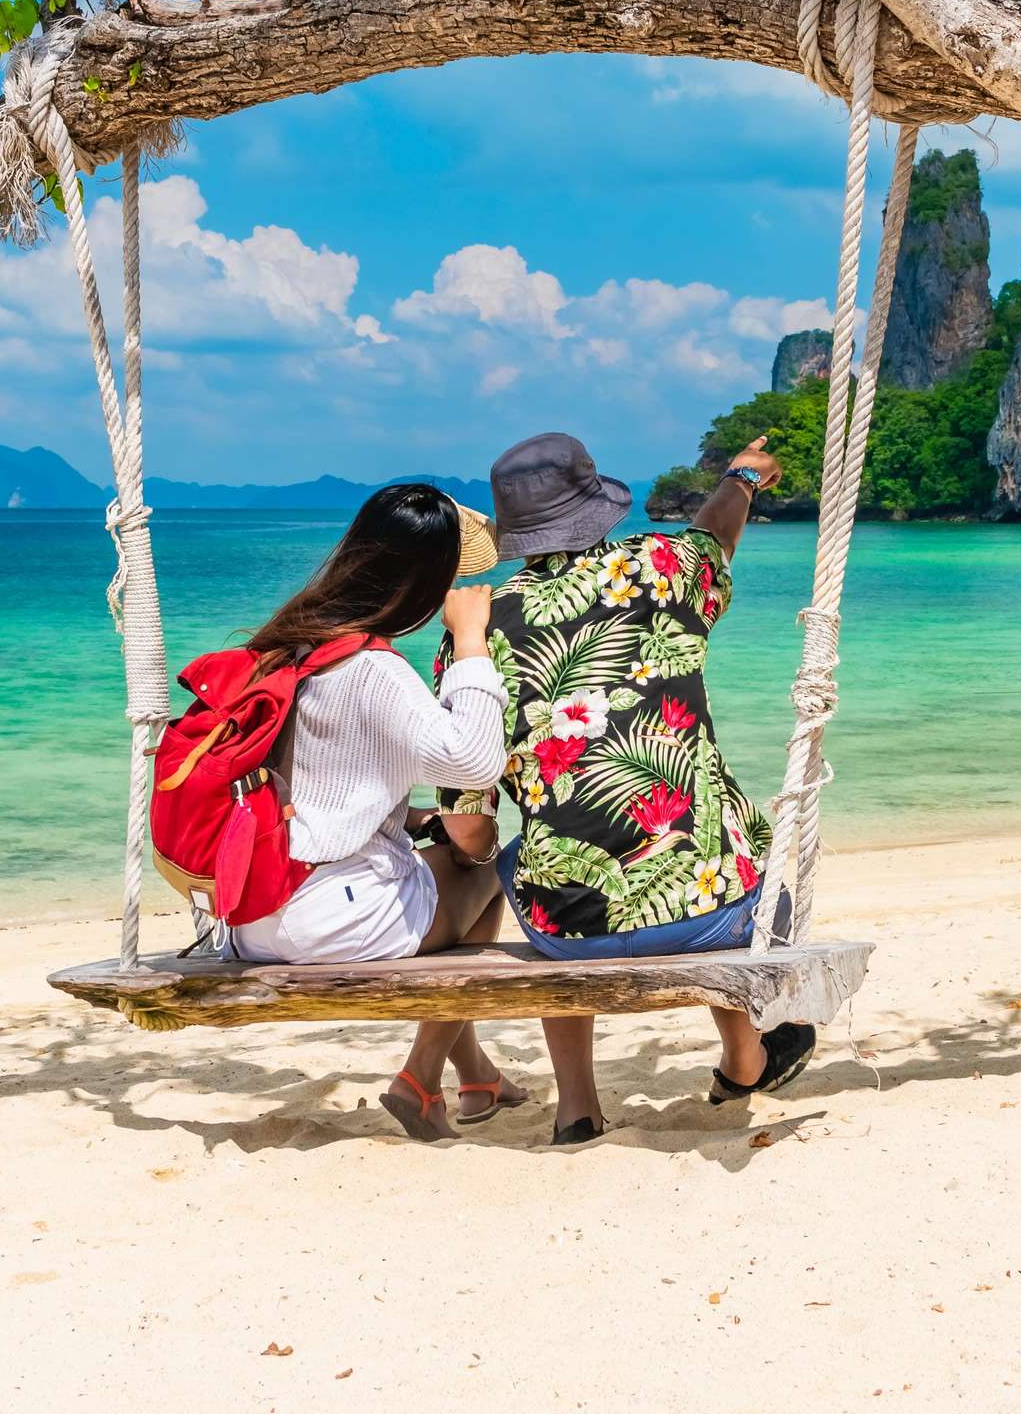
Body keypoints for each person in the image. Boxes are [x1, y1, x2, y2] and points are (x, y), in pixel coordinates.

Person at [473, 428, 817, 1145]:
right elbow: (714, 537)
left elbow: (467, 795)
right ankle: (745, 1058)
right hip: (707, 912)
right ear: (596, 505)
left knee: (540, 849)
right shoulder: (659, 567)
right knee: (724, 838)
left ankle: (576, 1109)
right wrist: (743, 477)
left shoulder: (479, 625)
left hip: (566, 931)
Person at [216, 482, 522, 1140]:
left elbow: (323, 778)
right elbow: (472, 763)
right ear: (427, 582)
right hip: (326, 922)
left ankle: (473, 1078)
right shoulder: (372, 667)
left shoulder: (290, 643)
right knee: (486, 866)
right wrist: (471, 644)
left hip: (249, 914)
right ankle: (420, 1075)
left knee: (447, 862)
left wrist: (403, 819)